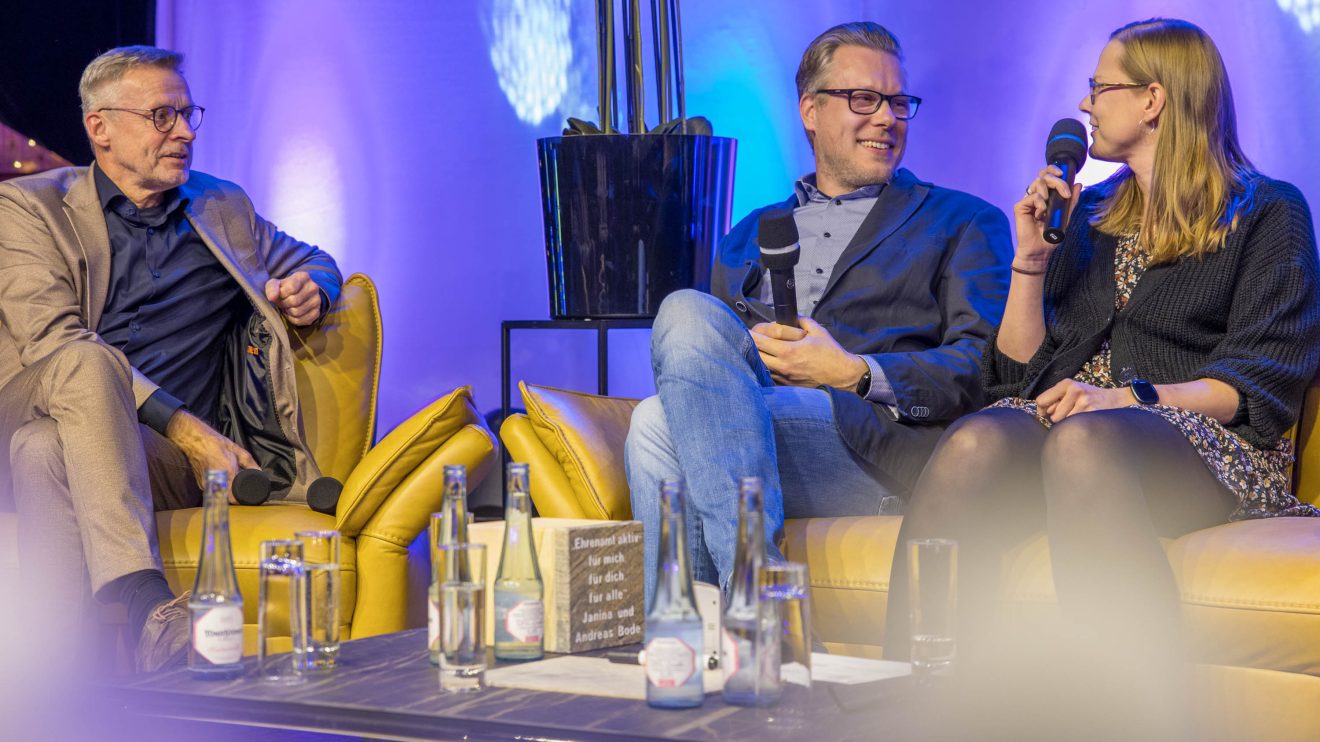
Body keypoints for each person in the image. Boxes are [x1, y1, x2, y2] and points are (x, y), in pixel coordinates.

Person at [883, 17, 1320, 724]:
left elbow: (1259, 380)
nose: (1084, 105)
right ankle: (909, 708)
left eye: (1099, 88)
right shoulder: (1090, 213)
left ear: (1153, 99)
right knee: (976, 438)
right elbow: (1016, 376)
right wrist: (1031, 261)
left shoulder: (1269, 212)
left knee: (1085, 442)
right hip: (1077, 421)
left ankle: (1129, 720)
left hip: (1207, 440)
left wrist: (1128, 398)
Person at [625, 22, 1012, 594]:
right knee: (684, 311)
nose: (887, 118)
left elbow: (987, 367)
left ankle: (720, 611)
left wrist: (854, 372)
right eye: (864, 99)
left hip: (871, 446)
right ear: (811, 110)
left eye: (898, 102)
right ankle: (743, 606)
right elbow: (703, 367)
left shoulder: (964, 221)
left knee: (654, 425)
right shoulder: (748, 234)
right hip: (752, 422)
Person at [0, 46, 341, 672]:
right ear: (100, 127)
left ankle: (58, 684)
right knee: (86, 363)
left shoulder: (221, 207)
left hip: (151, 459)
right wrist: (188, 429)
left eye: (188, 114)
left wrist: (314, 288)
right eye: (162, 116)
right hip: (38, 403)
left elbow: (313, 258)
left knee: (44, 452)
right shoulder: (27, 207)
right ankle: (148, 604)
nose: (184, 132)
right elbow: (51, 340)